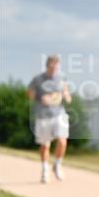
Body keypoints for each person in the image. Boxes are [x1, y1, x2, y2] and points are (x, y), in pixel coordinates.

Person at [27, 54, 72, 184]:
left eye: (56, 66)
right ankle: (45, 169)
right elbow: (29, 93)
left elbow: (65, 92)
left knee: (62, 141)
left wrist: (66, 96)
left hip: (59, 114)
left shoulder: (61, 78)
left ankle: (57, 164)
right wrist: (39, 98)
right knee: (45, 145)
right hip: (43, 116)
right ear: (47, 66)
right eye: (52, 66)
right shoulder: (38, 79)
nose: (54, 69)